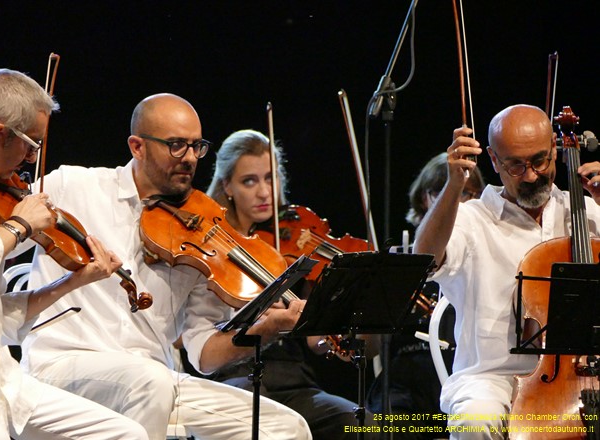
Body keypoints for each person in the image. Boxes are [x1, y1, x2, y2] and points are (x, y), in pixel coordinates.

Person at [21, 94, 312, 440]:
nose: (189, 158)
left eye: (195, 146)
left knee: (287, 428)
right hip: (64, 369)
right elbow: (6, 231)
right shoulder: (72, 186)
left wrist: (268, 326)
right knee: (151, 382)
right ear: (138, 146)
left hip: (155, 381)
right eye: (176, 146)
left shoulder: (200, 232)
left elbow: (203, 354)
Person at [0, 68, 148, 439]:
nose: (33, 159)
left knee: (126, 433)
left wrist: (73, 281)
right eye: (31, 144)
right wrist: (16, 227)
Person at [413, 104, 600, 438]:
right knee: (474, 422)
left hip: (580, 373)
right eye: (516, 164)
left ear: (555, 151)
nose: (530, 175)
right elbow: (423, 261)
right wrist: (454, 185)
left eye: (540, 160)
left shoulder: (584, 214)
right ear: (494, 160)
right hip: (490, 377)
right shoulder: (470, 219)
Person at [205, 128, 379, 439]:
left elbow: (316, 340)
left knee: (366, 427)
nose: (264, 192)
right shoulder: (209, 246)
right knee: (269, 425)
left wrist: (342, 327)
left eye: (270, 178)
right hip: (236, 376)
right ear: (227, 186)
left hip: (294, 379)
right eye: (250, 181)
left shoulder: (294, 238)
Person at [366, 152, 485, 439]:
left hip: (464, 367)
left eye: (468, 193)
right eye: (441, 192)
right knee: (388, 425)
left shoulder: (486, 253)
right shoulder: (401, 258)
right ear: (423, 198)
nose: (456, 202)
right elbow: (371, 346)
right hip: (409, 373)